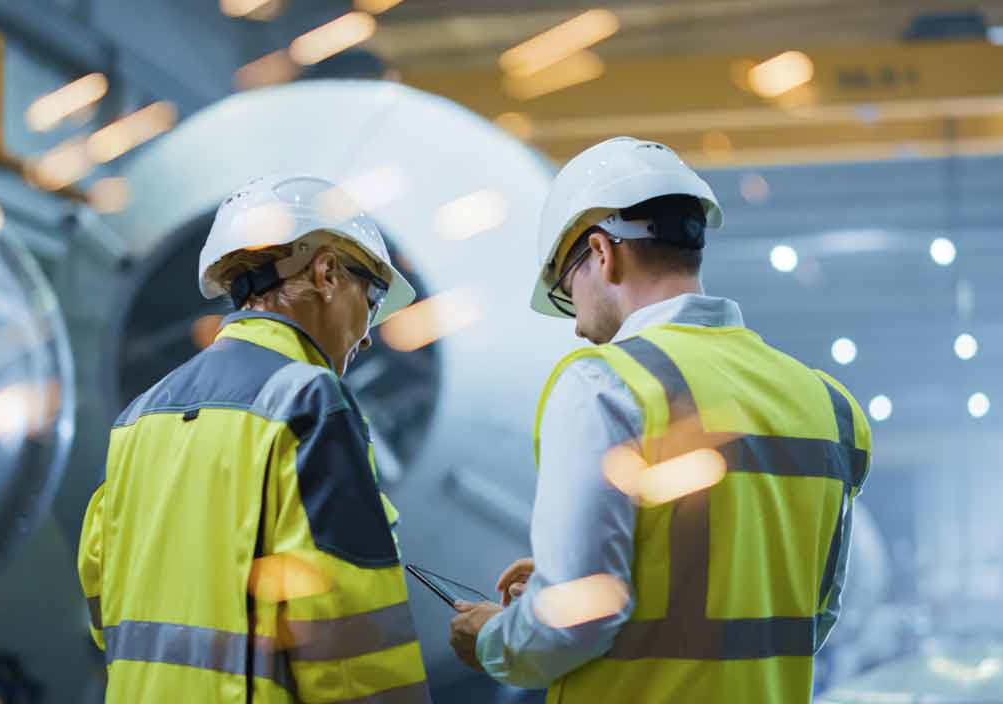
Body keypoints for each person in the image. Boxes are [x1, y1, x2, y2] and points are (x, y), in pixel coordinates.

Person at [449, 137, 872, 702]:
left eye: (568, 294)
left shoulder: (606, 385)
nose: (576, 326)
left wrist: (493, 639)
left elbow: (576, 620)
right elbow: (804, 612)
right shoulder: (829, 405)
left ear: (602, 252)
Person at [78, 175, 431, 703]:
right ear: (327, 272)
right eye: (372, 297)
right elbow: (348, 638)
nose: (367, 332)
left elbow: (102, 601)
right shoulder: (307, 401)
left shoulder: (138, 417)